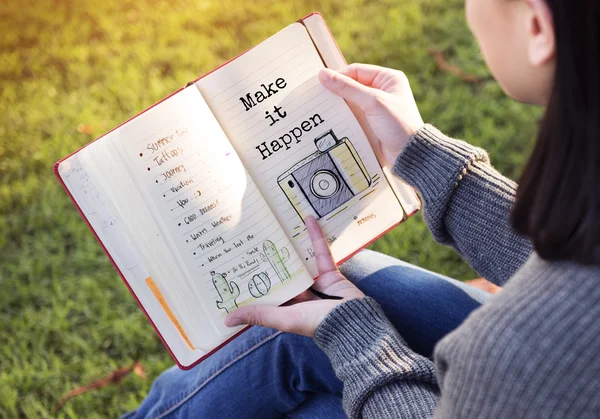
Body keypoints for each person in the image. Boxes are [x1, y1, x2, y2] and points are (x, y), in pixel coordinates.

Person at [125, 0, 599, 417]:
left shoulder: (518, 347)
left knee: (302, 346)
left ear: (537, 27)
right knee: (343, 285)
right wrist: (424, 156)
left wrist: (359, 339)